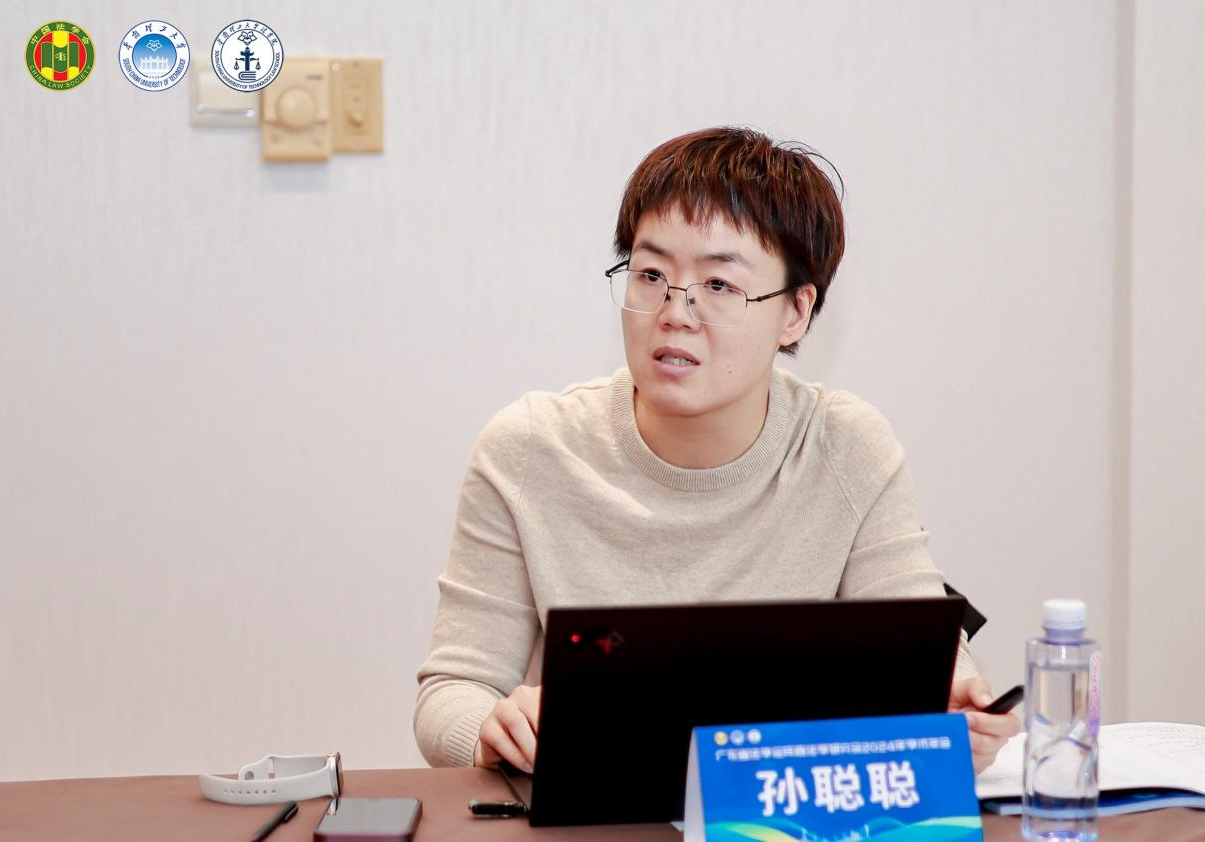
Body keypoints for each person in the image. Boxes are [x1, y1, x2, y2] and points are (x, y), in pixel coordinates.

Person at [414, 126, 1019, 777]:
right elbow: (452, 691)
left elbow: (923, 648)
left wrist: (953, 705)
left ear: (796, 312)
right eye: (651, 275)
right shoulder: (530, 451)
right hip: (594, 812)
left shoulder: (845, 448)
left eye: (720, 285)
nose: (675, 312)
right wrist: (491, 731)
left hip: (784, 811)